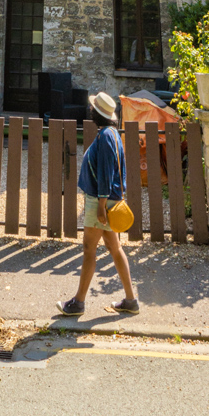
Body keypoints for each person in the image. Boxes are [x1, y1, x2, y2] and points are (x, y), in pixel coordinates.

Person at [57, 91, 139, 316]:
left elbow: (105, 174)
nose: (90, 110)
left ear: (97, 114)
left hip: (100, 201)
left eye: (93, 108)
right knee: (115, 248)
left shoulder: (104, 137)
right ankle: (131, 301)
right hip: (109, 199)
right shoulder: (112, 133)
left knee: (88, 250)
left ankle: (78, 303)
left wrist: (101, 207)